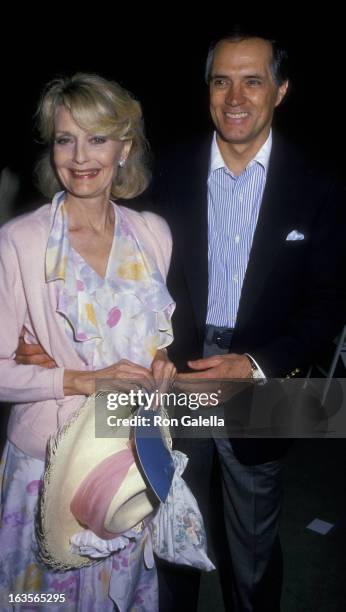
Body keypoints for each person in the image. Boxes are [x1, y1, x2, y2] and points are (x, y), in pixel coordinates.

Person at [148, 28, 346, 611]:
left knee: (252, 547)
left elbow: (329, 301)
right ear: (207, 89)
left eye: (252, 81)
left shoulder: (321, 187)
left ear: (280, 91)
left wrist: (257, 363)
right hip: (175, 378)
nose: (235, 96)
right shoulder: (167, 171)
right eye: (221, 80)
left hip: (266, 381)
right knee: (171, 529)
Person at [0, 73, 177, 611]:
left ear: (125, 147)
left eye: (97, 138)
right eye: (64, 138)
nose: (80, 156)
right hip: (47, 468)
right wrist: (79, 379)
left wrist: (160, 363)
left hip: (126, 464)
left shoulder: (152, 233)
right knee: (39, 603)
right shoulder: (21, 243)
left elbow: (152, 338)